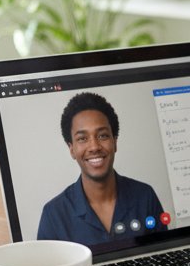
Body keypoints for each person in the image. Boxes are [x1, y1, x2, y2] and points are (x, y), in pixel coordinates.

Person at [38, 91, 164, 249]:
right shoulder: (54, 214)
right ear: (71, 149)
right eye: (82, 138)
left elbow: (163, 255)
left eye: (103, 136)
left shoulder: (145, 196)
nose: (94, 147)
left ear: (114, 142)